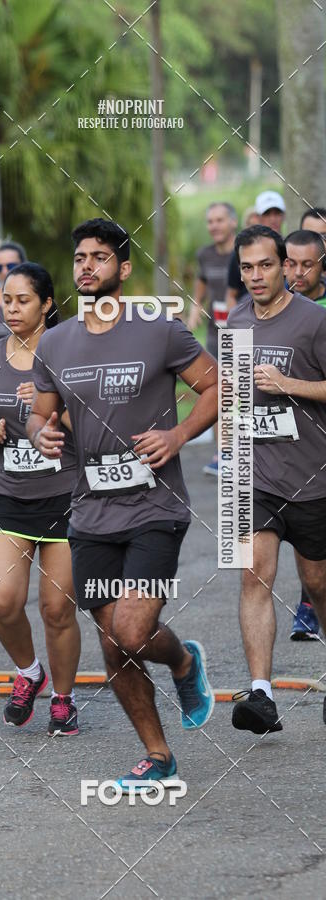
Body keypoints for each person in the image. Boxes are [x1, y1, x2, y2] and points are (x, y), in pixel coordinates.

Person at [28, 218, 218, 786]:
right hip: (90, 511)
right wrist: (42, 432)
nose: (87, 266)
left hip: (155, 507)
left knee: (132, 633)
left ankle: (183, 662)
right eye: (80, 257)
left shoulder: (159, 330)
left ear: (124, 268)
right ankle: (158, 755)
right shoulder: (56, 342)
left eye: (101, 257)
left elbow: (216, 386)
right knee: (115, 645)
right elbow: (42, 411)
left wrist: (178, 436)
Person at [0, 262, 81, 735]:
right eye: (7, 299)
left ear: (47, 304)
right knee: (1, 602)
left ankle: (63, 698)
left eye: (23, 300)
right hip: (9, 494)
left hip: (67, 497)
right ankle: (29, 671)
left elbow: (100, 426)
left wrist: (49, 404)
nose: (12, 308)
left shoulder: (71, 353)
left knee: (57, 609)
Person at [227, 225, 326, 733]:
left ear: (286, 266)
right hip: (255, 476)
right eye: (247, 267)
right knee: (254, 575)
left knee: (317, 582)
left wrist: (289, 385)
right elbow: (231, 391)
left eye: (267, 265)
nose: (257, 276)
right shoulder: (236, 319)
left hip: (313, 478)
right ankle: (262, 695)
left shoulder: (314, 321)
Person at [282, 230, 326, 640]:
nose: (297, 272)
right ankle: (307, 606)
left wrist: (288, 384)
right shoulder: (268, 311)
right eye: (290, 263)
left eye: (306, 264)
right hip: (289, 459)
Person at [188, 202, 237, 476]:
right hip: (216, 336)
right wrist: (196, 305)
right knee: (221, 392)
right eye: (210, 221)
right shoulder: (205, 254)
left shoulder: (245, 251)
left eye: (219, 220)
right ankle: (223, 455)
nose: (214, 226)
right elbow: (202, 279)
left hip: (244, 333)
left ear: (233, 222)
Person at [225, 190, 287, 312]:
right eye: (267, 214)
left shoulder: (291, 248)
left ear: (284, 216)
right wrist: (236, 326)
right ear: (257, 217)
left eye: (277, 213)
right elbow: (231, 295)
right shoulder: (242, 250)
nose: (273, 219)